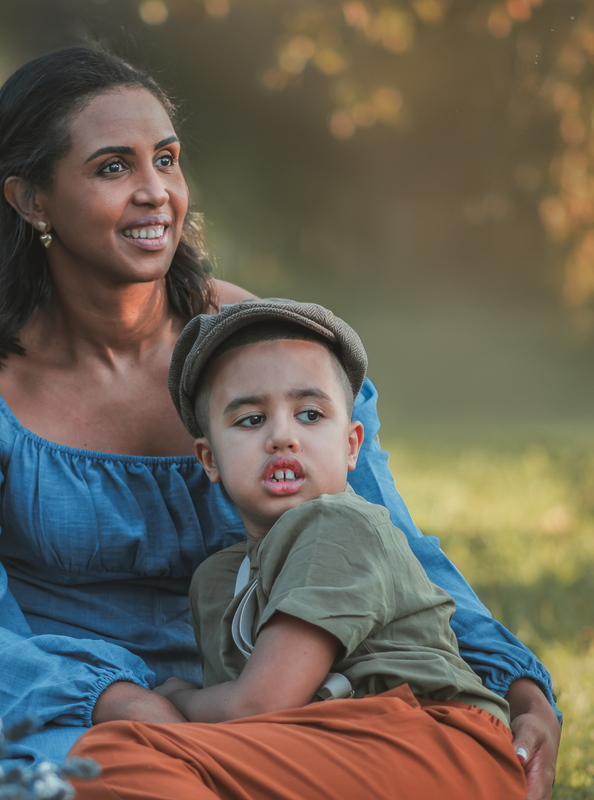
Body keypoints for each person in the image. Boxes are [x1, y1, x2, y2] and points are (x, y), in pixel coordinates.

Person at [0, 45, 562, 798]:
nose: (155, 193)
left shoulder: (269, 357)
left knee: (436, 757)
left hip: (238, 700)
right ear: (32, 200)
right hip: (34, 695)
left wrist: (518, 683)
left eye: (165, 160)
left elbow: (381, 543)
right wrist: (117, 700)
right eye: (113, 168)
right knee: (92, 781)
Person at [69, 299, 526, 799]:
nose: (282, 437)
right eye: (249, 420)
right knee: (116, 761)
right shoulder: (219, 580)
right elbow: (249, 734)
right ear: (209, 458)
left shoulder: (340, 525)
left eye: (309, 414)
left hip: (435, 740)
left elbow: (258, 706)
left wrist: (179, 698)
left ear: (352, 445)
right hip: (331, 751)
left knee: (110, 753)